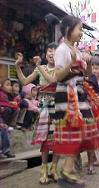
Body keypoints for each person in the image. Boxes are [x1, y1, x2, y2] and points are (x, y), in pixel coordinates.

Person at [53, 15, 99, 184]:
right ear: (68, 30)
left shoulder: (76, 50)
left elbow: (85, 76)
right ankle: (66, 171)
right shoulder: (62, 49)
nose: (81, 33)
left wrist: (87, 62)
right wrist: (71, 64)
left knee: (84, 130)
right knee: (75, 131)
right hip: (67, 93)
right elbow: (58, 75)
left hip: (79, 93)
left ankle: (67, 170)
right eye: (79, 29)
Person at [15, 43, 59, 184]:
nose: (52, 54)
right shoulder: (41, 68)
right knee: (46, 140)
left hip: (58, 107)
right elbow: (24, 81)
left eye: (55, 51)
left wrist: (39, 66)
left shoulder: (61, 69)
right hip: (45, 108)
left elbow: (52, 80)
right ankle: (43, 169)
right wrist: (17, 66)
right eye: (50, 51)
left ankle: (54, 169)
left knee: (58, 140)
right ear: (46, 54)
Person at [0, 78, 16, 158]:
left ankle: (6, 150)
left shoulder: (8, 95)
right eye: (7, 85)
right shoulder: (1, 94)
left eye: (10, 85)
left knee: (4, 129)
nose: (10, 87)